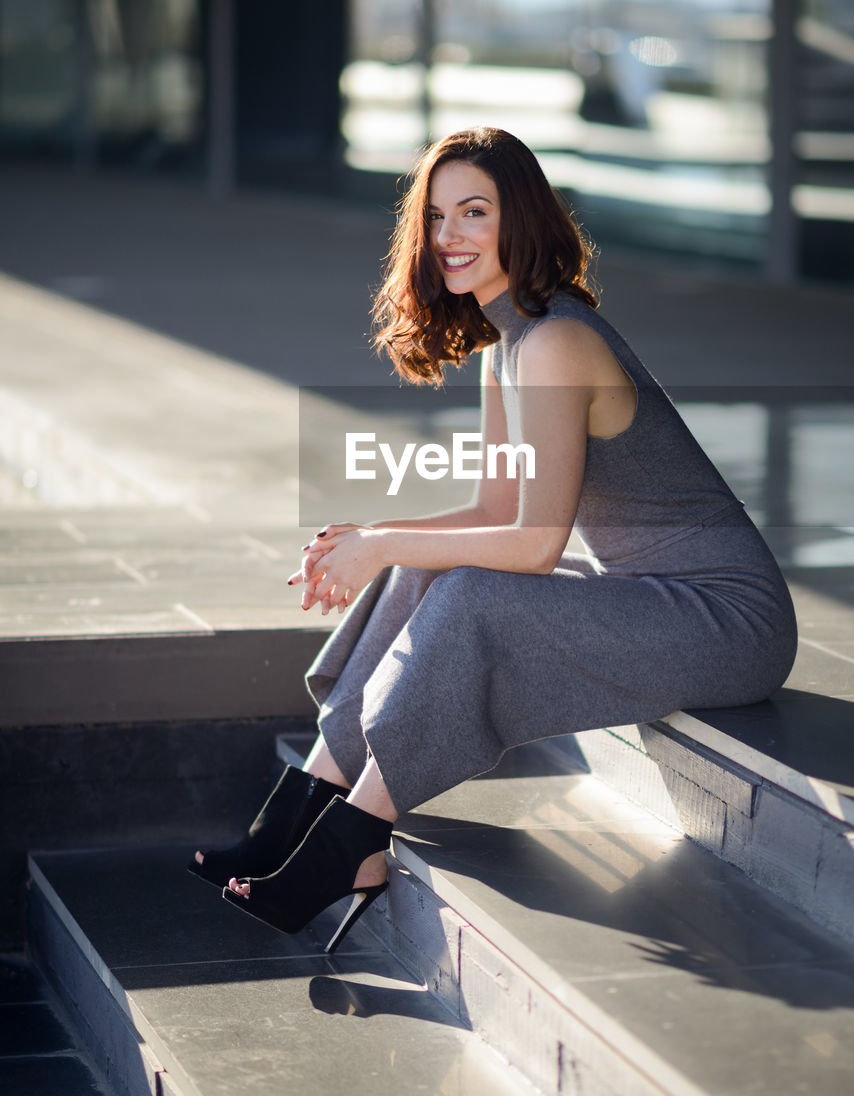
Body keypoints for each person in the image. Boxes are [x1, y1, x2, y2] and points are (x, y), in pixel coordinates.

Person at [189, 127, 797, 954]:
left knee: (467, 587)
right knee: (426, 571)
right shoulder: (508, 349)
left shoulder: (558, 343)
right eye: (437, 218)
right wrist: (376, 539)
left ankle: (356, 837)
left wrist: (387, 543)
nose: (451, 237)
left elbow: (535, 545)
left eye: (475, 212)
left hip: (729, 619)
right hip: (652, 591)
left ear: (524, 218)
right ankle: (307, 803)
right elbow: (494, 512)